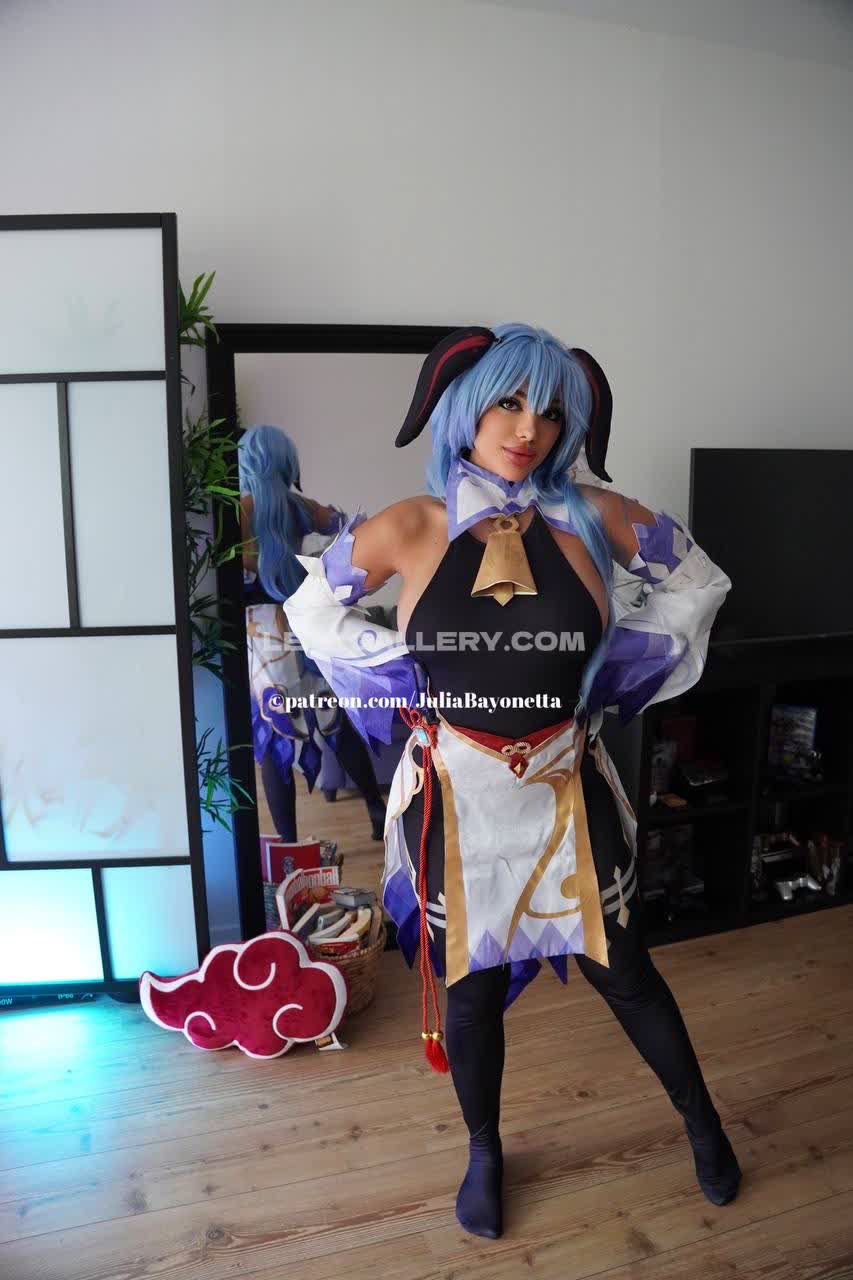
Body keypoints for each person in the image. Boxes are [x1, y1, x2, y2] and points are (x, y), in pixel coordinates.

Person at [282, 325, 741, 1238]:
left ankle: (704, 1127)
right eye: (509, 402)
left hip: (564, 785)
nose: (529, 428)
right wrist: (405, 676)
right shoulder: (410, 526)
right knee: (470, 987)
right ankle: (484, 1151)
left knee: (628, 975)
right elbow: (311, 610)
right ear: (465, 405)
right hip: (456, 792)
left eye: (551, 411)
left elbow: (695, 582)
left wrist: (611, 672)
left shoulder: (595, 517)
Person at [238, 424, 386, 842]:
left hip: (264, 632)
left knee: (276, 731)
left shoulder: (241, 510)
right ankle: (375, 808)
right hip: (305, 619)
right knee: (331, 717)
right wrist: (320, 568)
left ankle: (288, 845)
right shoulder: (298, 506)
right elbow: (352, 527)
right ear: (286, 462)